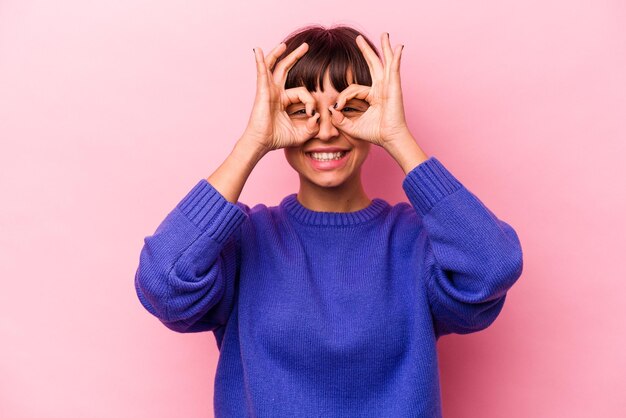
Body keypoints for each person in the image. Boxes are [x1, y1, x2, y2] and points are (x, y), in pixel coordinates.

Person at [134, 24, 524, 418]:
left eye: (349, 109)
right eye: (301, 112)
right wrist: (252, 142)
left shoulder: (415, 243)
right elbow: (162, 284)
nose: (325, 130)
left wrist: (398, 136)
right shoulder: (246, 242)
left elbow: (492, 267)